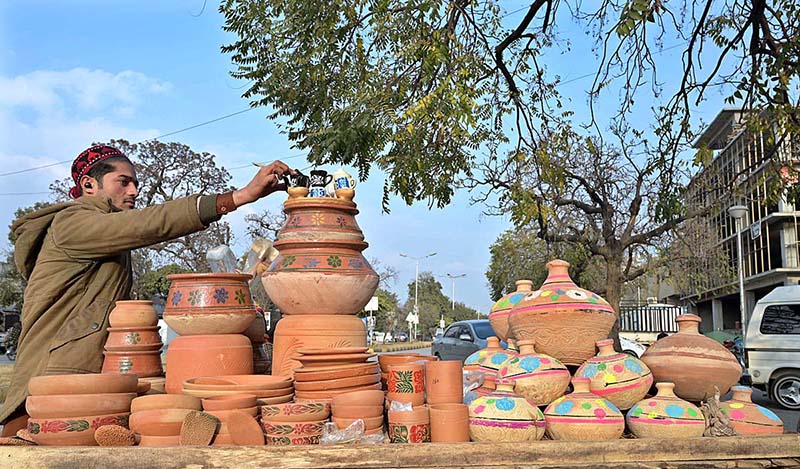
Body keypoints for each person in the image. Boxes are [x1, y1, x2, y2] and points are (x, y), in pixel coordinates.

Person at [0, 144, 295, 435]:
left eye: (136, 183)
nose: (134, 192)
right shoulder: (71, 224)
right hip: (54, 380)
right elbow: (148, 224)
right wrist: (239, 197)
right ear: (89, 184)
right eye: (124, 182)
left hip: (89, 380)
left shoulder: (101, 229)